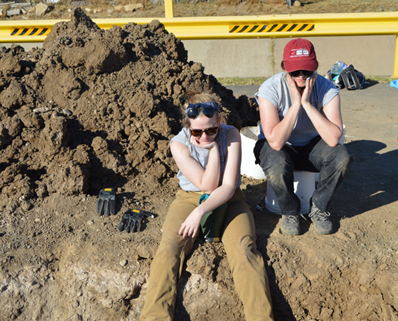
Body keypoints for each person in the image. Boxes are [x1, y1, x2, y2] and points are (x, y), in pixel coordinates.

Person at [140, 92, 274, 321]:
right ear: (187, 127)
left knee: (244, 249)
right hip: (189, 198)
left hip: (229, 199)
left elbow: (227, 185)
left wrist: (200, 211)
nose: (204, 136)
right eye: (197, 131)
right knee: (170, 247)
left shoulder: (231, 134)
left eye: (211, 130)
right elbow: (206, 184)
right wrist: (196, 207)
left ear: (219, 122)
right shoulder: (178, 143)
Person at [254, 38, 351, 236]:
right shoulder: (269, 89)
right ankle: (290, 211)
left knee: (341, 157)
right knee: (275, 162)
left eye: (306, 71)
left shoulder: (327, 88)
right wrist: (296, 104)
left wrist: (306, 103)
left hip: (312, 146)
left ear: (315, 67)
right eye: (294, 71)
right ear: (284, 68)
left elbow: (333, 139)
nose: (300, 76)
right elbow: (276, 141)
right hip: (280, 146)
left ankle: (319, 207)